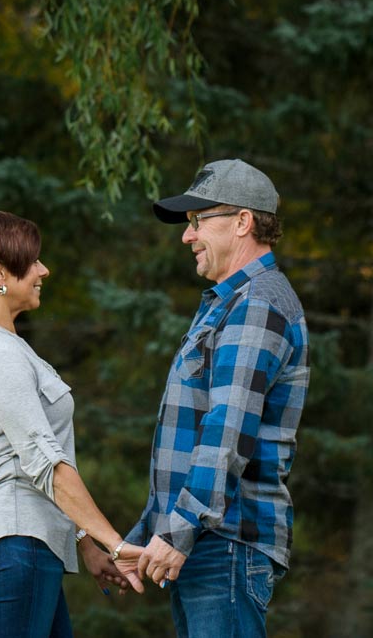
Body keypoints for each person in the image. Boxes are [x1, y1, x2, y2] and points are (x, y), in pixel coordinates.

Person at [121, 159, 311, 638]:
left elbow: (227, 430)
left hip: (225, 546)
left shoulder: (258, 303)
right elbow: (191, 439)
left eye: (198, 220)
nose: (187, 236)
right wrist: (146, 536)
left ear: (243, 222)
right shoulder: (231, 303)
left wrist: (178, 531)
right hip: (208, 544)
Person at [0, 209, 144, 638]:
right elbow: (45, 464)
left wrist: (84, 545)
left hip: (28, 544)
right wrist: (116, 543)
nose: (43, 270)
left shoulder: (5, 347)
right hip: (18, 542)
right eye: (32, 261)